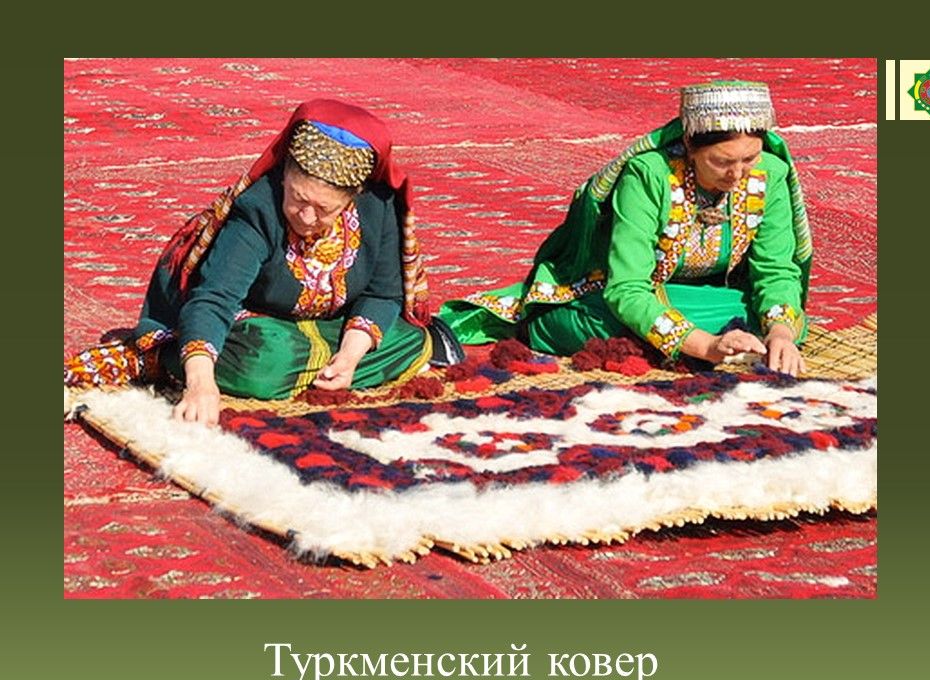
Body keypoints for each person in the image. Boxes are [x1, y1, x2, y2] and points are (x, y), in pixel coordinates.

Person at [65, 98, 461, 425]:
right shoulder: (258, 210)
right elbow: (214, 299)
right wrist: (200, 384)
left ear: (353, 196)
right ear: (285, 175)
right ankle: (167, 360)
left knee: (411, 341)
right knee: (266, 360)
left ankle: (319, 364)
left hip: (324, 328)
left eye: (324, 209)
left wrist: (350, 356)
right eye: (298, 199)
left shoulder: (378, 207)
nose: (307, 217)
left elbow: (383, 293)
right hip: (250, 325)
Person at [439, 81, 812, 377]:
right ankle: (700, 337)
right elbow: (627, 288)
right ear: (689, 145)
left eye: (750, 158)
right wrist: (706, 346)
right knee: (586, 321)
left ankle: (709, 334)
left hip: (713, 296)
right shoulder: (648, 175)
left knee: (778, 321)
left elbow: (776, 271)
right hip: (620, 293)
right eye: (722, 162)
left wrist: (780, 334)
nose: (737, 174)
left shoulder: (770, 175)